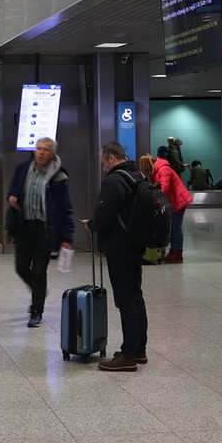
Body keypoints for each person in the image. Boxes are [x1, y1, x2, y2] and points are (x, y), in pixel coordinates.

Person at [84, 142, 148, 372]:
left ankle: (129, 356)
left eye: (103, 163)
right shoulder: (137, 175)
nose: (103, 168)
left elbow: (103, 216)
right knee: (136, 296)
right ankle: (138, 349)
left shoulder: (114, 181)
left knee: (126, 300)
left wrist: (91, 224)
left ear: (112, 158)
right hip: (135, 243)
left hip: (120, 247)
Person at [5, 138, 73, 328]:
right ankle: (39, 290)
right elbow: (13, 189)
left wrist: (67, 237)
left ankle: (37, 311)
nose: (40, 152)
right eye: (38, 148)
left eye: (45, 150)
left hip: (45, 230)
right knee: (21, 267)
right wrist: (12, 197)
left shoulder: (59, 177)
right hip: (24, 226)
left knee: (38, 271)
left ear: (52, 154)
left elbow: (65, 208)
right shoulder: (23, 169)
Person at [147, 151, 193, 264]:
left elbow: (165, 188)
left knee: (176, 227)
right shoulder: (157, 170)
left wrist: (157, 201)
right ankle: (173, 251)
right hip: (173, 201)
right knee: (173, 227)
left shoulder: (164, 169)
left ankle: (178, 253)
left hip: (179, 200)